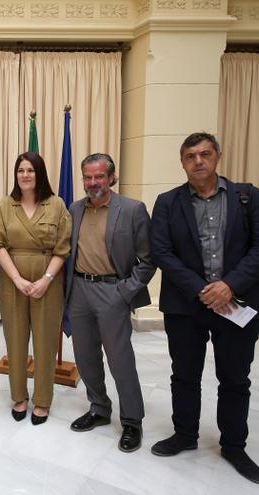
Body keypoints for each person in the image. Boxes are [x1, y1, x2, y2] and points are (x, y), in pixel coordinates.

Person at [149, 132, 259, 484]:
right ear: (183, 162)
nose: (198, 161)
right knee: (184, 375)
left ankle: (234, 445)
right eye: (191, 156)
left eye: (205, 154)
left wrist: (229, 285)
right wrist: (202, 290)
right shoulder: (168, 202)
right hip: (186, 306)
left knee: (235, 378)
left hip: (236, 302)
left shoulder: (248, 197)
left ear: (218, 156)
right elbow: (162, 251)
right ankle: (185, 435)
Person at [65, 153, 155, 452]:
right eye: (88, 177)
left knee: (120, 359)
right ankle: (99, 409)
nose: (93, 183)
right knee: (85, 356)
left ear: (112, 177)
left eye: (99, 176)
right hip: (78, 289)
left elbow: (148, 258)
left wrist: (125, 291)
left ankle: (132, 421)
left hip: (112, 291)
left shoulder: (132, 210)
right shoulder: (74, 209)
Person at [0, 152, 70, 425]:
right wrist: (18, 280)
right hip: (14, 281)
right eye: (21, 170)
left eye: (31, 170)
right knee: (16, 339)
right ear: (16, 175)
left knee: (46, 342)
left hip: (48, 279)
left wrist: (46, 279)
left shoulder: (56, 205)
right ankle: (19, 396)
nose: (25, 175)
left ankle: (43, 400)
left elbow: (63, 247)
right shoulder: (5, 205)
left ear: (40, 174)